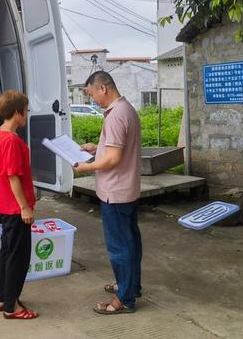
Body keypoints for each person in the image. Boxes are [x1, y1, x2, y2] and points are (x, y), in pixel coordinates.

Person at [75, 71, 142, 315]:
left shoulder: (115, 116)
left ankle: (123, 299)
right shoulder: (126, 109)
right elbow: (115, 148)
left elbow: (113, 158)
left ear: (103, 88)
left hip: (115, 192)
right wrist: (97, 147)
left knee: (120, 247)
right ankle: (130, 286)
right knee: (131, 242)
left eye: (92, 94)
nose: (93, 100)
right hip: (128, 188)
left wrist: (86, 166)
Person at [0, 90, 38, 320]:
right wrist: (25, 207)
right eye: (26, 110)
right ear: (18, 112)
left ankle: (2, 299)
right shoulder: (11, 140)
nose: (27, 114)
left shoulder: (0, 133)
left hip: (4, 204)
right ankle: (12, 307)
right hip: (14, 208)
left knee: (7, 252)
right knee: (18, 258)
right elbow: (13, 177)